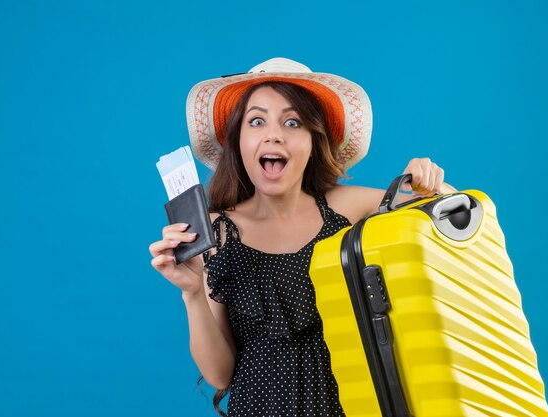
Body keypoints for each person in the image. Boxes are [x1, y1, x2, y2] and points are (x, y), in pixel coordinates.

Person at [149, 58, 456, 416]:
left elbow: (449, 212)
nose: (273, 134)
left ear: (313, 141)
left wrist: (427, 182)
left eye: (292, 122)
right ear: (239, 141)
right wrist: (191, 294)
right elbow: (219, 375)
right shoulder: (216, 232)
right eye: (257, 121)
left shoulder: (347, 210)